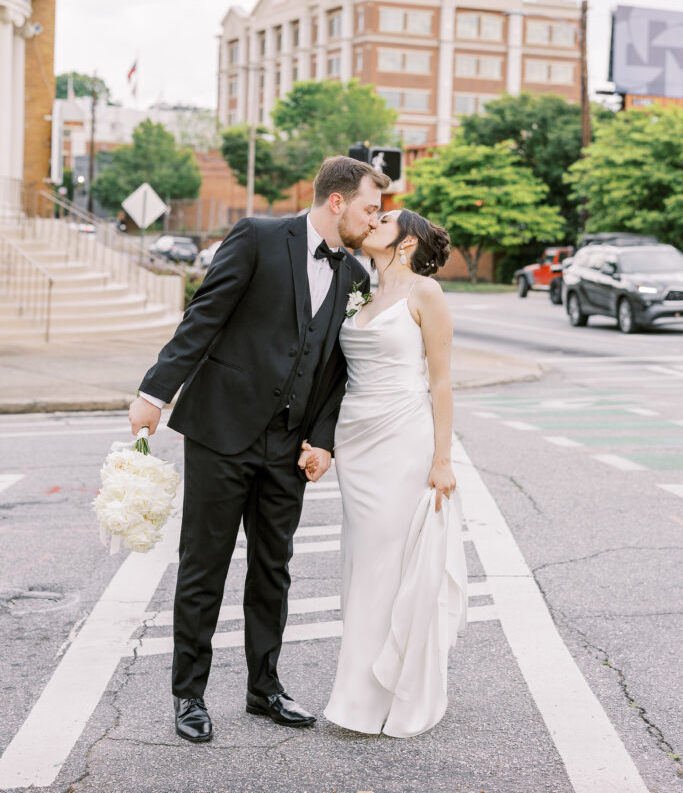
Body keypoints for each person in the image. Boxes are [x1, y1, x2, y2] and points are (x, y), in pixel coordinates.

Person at [127, 156, 390, 743]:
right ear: (339, 201)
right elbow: (204, 317)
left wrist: (322, 440)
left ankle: (264, 688)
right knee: (205, 568)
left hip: (288, 445)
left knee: (274, 569)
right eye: (371, 209)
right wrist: (155, 391)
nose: (375, 222)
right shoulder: (258, 236)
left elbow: (337, 371)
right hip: (221, 431)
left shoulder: (355, 277)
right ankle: (189, 696)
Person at [305, 208, 468, 738]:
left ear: (407, 242)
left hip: (404, 438)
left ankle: (379, 696)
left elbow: (441, 383)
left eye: (387, 219)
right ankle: (359, 693)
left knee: (386, 564)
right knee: (361, 563)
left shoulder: (426, 294)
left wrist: (442, 460)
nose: (374, 220)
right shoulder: (361, 291)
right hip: (358, 442)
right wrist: (322, 441)